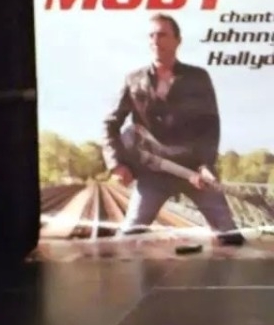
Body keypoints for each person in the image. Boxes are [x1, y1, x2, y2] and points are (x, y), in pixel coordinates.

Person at [102, 13, 243, 244]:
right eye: (151, 36)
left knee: (230, 235)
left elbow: (210, 124)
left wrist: (206, 165)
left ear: (178, 40)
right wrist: (116, 163)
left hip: (195, 171)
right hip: (153, 173)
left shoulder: (198, 77)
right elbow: (110, 123)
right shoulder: (133, 79)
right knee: (128, 235)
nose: (155, 41)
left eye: (162, 35)